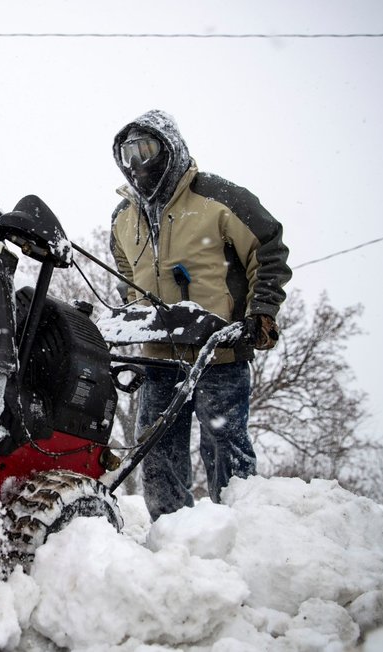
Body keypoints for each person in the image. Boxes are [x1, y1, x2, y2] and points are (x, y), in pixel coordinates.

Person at [109, 109, 292, 519]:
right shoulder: (123, 218)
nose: (138, 161)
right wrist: (133, 313)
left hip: (219, 352)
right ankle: (172, 536)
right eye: (128, 153)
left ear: (170, 148)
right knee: (155, 451)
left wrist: (261, 310)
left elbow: (268, 249)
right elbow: (127, 273)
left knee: (224, 445)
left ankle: (241, 531)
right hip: (158, 355)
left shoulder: (218, 199)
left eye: (146, 148)